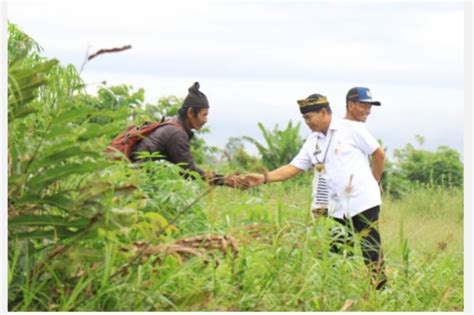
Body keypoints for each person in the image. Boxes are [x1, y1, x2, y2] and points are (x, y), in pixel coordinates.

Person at [243, 93, 387, 290]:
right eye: (304, 118)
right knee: (335, 249)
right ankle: (336, 291)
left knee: (369, 246)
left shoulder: (351, 129)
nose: (307, 122)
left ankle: (381, 290)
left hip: (362, 199)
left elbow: (378, 154)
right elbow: (293, 167)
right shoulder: (313, 141)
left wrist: (374, 180)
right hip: (336, 206)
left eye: (309, 117)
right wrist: (264, 178)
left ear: (323, 112)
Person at [131, 82, 246, 189]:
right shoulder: (177, 134)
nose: (206, 120)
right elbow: (189, 172)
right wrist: (226, 180)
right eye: (204, 115)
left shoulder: (172, 124)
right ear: (190, 112)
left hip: (137, 177)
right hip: (136, 181)